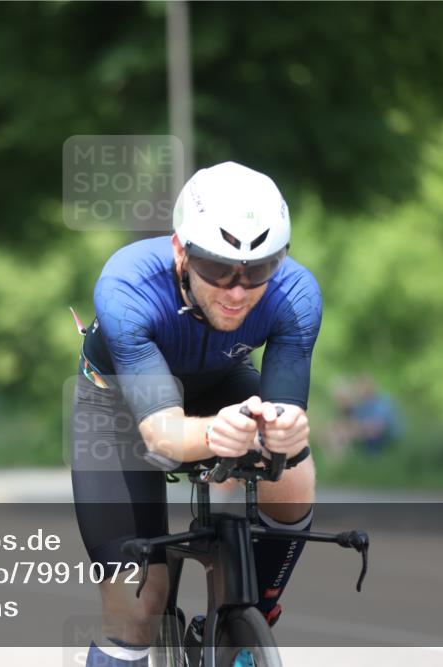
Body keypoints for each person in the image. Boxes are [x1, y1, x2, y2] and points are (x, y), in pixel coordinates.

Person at [70, 162, 321, 666]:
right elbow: (163, 437)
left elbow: (285, 415)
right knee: (138, 612)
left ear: (282, 259)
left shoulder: (296, 294)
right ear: (181, 251)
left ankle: (249, 617)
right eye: (217, 268)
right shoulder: (126, 287)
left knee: (294, 476)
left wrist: (286, 431)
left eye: (257, 271)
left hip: (220, 382)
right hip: (118, 408)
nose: (237, 290)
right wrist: (215, 432)